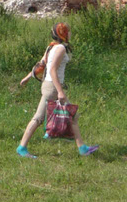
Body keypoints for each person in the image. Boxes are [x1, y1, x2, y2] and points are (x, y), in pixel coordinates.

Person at [15, 22, 99, 159]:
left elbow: (41, 65)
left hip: (48, 86)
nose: (70, 33)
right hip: (53, 88)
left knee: (70, 116)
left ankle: (81, 147)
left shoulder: (51, 47)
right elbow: (52, 70)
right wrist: (60, 91)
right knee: (41, 118)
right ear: (63, 33)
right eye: (68, 31)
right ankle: (22, 147)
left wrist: (27, 77)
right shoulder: (60, 48)